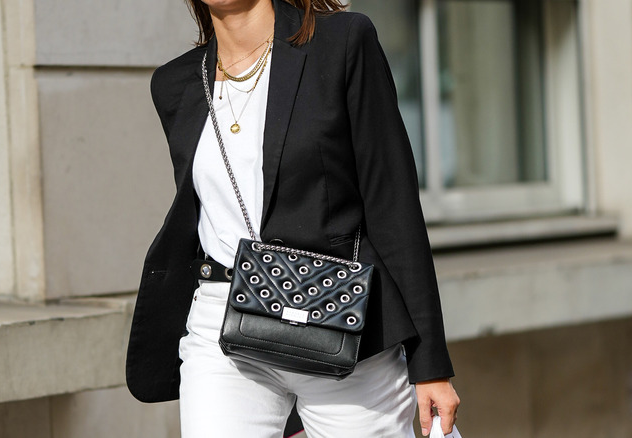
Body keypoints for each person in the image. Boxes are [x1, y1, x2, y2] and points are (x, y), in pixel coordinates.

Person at [125, 0, 460, 436]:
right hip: (222, 324)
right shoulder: (176, 84)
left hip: (339, 322)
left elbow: (391, 203)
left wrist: (429, 363)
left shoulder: (342, 43)